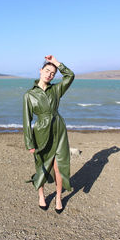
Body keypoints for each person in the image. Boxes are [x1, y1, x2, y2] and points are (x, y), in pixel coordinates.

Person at [23, 55, 75, 213]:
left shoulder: (56, 89)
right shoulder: (29, 95)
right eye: (47, 71)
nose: (49, 74)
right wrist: (29, 143)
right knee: (42, 167)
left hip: (58, 130)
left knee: (59, 166)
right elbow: (26, 120)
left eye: (53, 73)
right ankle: (41, 196)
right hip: (41, 132)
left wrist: (56, 62)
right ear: (40, 71)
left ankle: (58, 197)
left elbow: (70, 75)